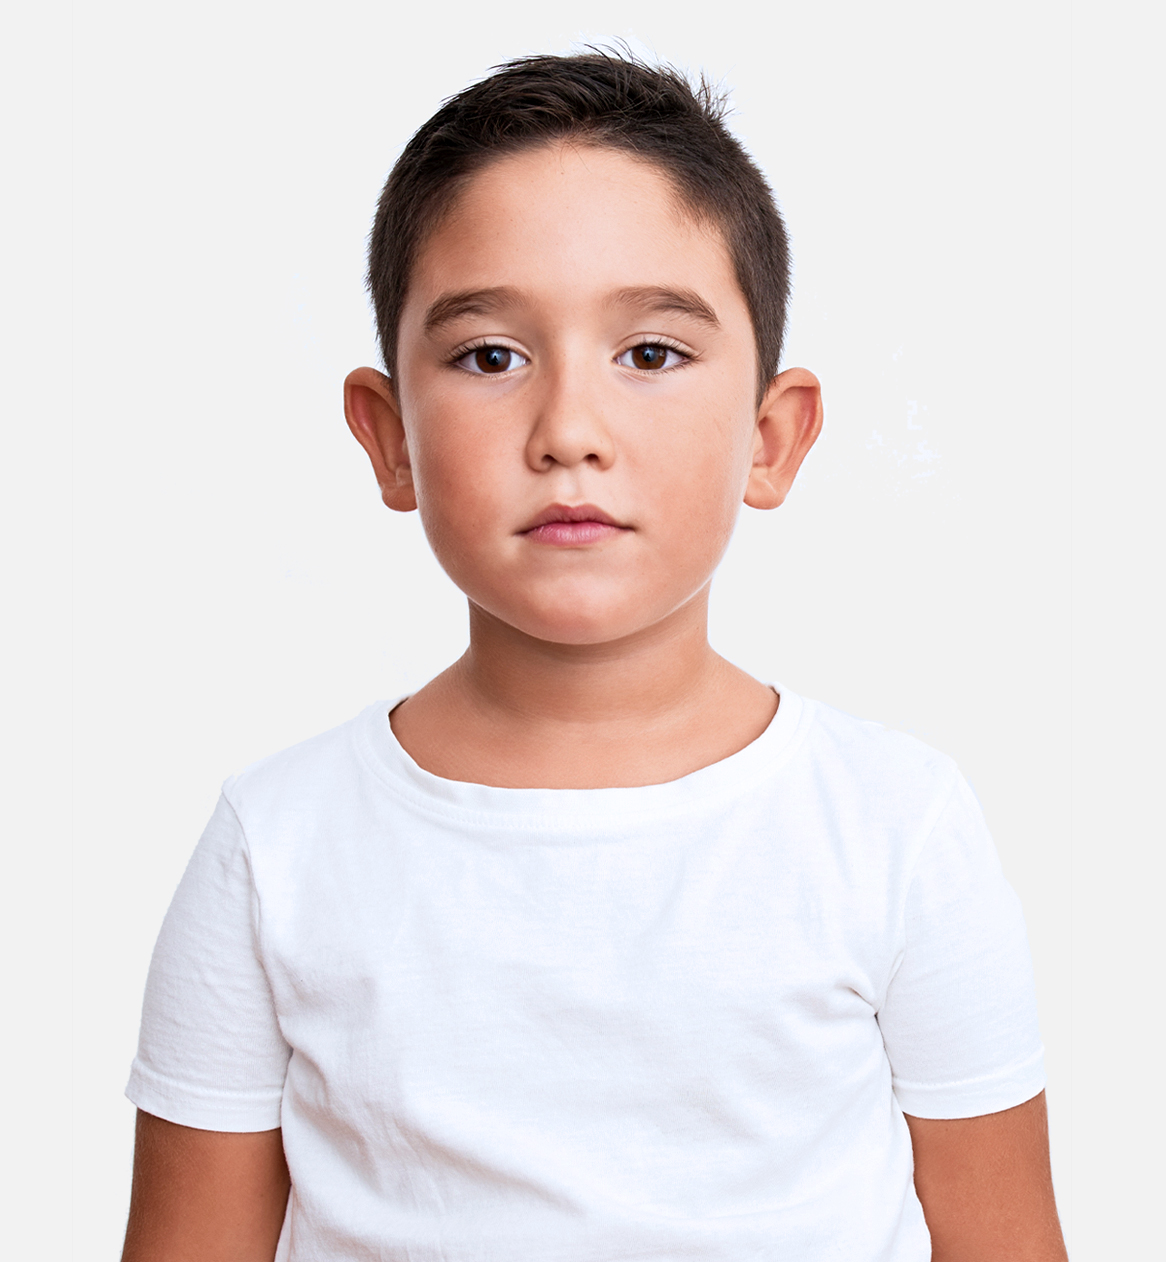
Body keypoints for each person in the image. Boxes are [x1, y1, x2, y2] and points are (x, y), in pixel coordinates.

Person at [120, 50, 1067, 1262]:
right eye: (489, 356)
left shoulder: (895, 827)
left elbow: (1003, 1238)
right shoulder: (277, 845)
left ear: (770, 438)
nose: (568, 430)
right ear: (388, 437)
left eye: (650, 354)